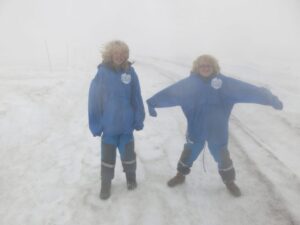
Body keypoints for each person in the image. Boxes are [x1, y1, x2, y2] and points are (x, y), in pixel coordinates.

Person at [146, 55, 283, 197]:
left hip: (217, 131)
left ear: (214, 67)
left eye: (208, 66)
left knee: (223, 157)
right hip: (196, 129)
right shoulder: (188, 85)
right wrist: (153, 103)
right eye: (202, 66)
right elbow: (170, 94)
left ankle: (229, 181)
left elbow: (248, 90)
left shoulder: (225, 84)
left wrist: (270, 99)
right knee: (189, 153)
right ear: (196, 68)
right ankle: (180, 175)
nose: (205, 68)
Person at [88, 40, 145, 200]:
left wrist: (138, 118)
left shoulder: (130, 73)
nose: (119, 56)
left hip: (126, 126)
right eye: (116, 53)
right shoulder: (102, 73)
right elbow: (94, 99)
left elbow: (136, 96)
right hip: (109, 127)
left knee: (129, 156)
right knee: (107, 159)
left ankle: (130, 177)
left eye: (123, 54)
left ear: (126, 55)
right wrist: (96, 124)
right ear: (110, 55)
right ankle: (105, 184)